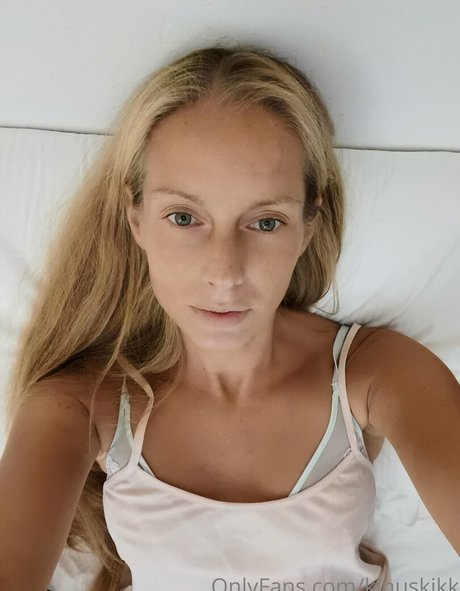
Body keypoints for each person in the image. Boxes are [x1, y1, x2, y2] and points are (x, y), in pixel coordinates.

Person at [1, 43, 459, 591]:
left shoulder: (377, 374)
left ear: (308, 225)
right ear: (135, 217)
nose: (224, 272)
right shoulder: (78, 404)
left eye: (265, 222)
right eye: (183, 217)